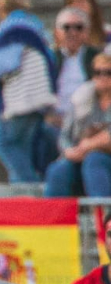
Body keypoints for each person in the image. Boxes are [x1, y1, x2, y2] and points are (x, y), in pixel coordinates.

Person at [0, 0, 59, 184]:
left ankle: (29, 189)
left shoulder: (11, 28)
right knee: (23, 149)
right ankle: (22, 192)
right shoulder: (35, 24)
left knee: (4, 143)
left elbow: (2, 64)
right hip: (39, 96)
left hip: (20, 99)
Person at [43, 54, 111, 198]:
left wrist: (90, 144)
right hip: (81, 156)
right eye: (97, 72)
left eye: (108, 72)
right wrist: (69, 151)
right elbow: (65, 135)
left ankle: (103, 210)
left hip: (103, 159)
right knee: (58, 170)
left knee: (95, 160)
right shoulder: (81, 99)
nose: (102, 77)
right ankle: (55, 212)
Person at [52, 6, 100, 123]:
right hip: (55, 120)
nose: (73, 32)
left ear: (87, 31)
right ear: (57, 32)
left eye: (79, 27)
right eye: (66, 27)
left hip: (89, 120)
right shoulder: (50, 58)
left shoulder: (97, 57)